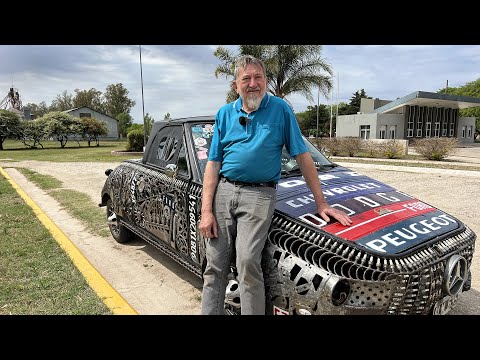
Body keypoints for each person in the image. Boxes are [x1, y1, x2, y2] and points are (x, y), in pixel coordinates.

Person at [199, 55, 352, 315]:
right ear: (236, 85)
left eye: (258, 77)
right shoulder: (225, 114)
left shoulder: (280, 109)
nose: (253, 83)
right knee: (215, 266)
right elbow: (213, 164)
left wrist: (321, 202)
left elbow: (302, 157)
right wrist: (206, 211)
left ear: (266, 82)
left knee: (248, 262)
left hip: (260, 194)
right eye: (246, 79)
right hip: (223, 193)